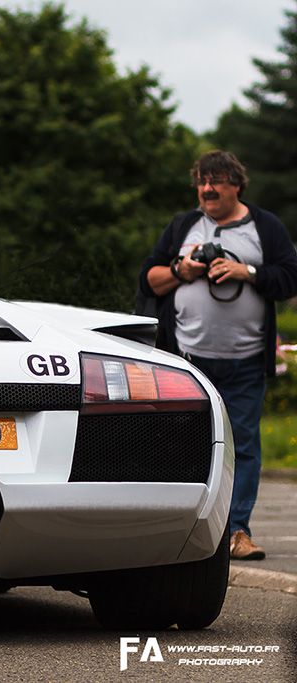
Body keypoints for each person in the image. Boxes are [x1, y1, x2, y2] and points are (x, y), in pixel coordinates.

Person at [138, 150, 297, 560]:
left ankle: (237, 531)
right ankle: (176, 531)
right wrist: (182, 271)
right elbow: (149, 280)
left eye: (217, 182)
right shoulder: (182, 225)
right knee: (178, 443)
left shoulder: (265, 227)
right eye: (202, 182)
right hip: (186, 363)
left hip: (245, 363)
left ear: (237, 186)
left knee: (243, 447)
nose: (207, 189)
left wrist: (248, 272)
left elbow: (290, 278)